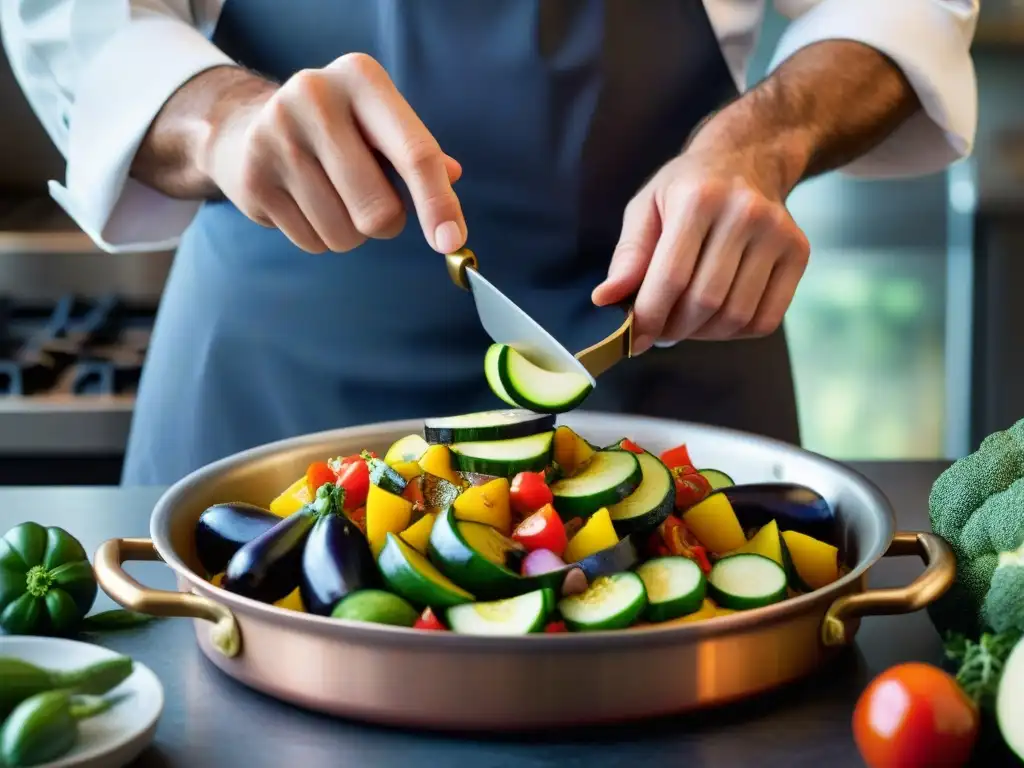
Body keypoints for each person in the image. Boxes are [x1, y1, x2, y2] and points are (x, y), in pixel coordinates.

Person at [2, 1, 978, 486]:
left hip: (674, 381)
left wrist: (760, 142)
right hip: (268, 410)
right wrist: (221, 117)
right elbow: (82, 18)